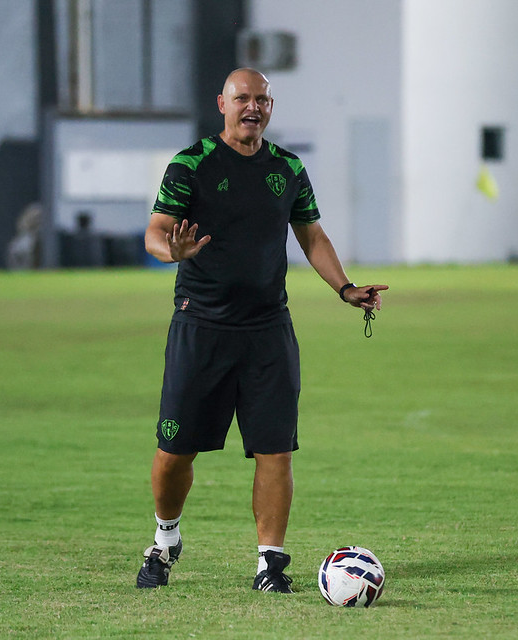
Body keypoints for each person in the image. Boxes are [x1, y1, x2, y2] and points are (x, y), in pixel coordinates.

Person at [137, 68, 387, 592]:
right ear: (222, 104)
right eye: (242, 98)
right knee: (173, 451)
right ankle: (165, 539)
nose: (252, 107)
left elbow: (311, 235)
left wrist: (345, 288)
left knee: (275, 448)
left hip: (268, 329)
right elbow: (156, 232)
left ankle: (270, 563)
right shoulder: (190, 164)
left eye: (262, 100)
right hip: (201, 326)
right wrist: (171, 251)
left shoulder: (288, 168)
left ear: (270, 107)